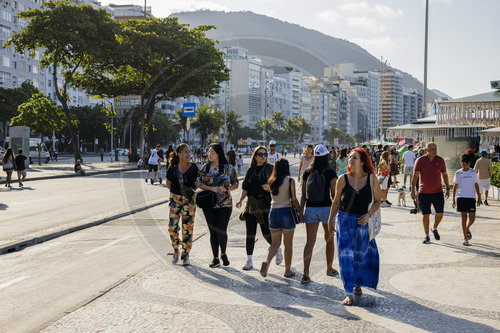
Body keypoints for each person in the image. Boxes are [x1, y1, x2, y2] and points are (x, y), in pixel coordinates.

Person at [327, 148, 381, 306]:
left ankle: (357, 283)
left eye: (354, 157)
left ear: (363, 161)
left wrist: (369, 215)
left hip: (362, 222)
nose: (350, 160)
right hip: (344, 221)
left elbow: (378, 200)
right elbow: (336, 201)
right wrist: (330, 221)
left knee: (359, 257)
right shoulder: (342, 179)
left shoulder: (372, 179)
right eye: (350, 157)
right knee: (346, 257)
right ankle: (348, 292)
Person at [196, 143, 239, 268]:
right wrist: (211, 188)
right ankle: (215, 258)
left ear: (219, 154)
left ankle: (223, 253)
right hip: (209, 204)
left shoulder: (228, 168)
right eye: (208, 152)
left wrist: (226, 190)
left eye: (212, 152)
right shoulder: (205, 167)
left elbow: (236, 184)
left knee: (221, 230)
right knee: (212, 231)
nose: (209, 154)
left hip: (225, 203)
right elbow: (198, 183)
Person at [300, 144, 338, 284]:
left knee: (310, 242)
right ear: (326, 156)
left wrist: (301, 212)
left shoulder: (307, 172)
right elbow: (334, 194)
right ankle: (329, 268)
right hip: (327, 209)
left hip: (310, 209)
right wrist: (337, 210)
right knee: (329, 239)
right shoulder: (330, 172)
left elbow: (303, 195)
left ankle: (305, 272)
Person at [260, 158, 302, 278]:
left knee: (275, 244)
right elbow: (293, 199)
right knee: (288, 244)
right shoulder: (290, 181)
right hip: (286, 212)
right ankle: (287, 271)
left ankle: (267, 263)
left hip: (273, 213)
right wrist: (300, 212)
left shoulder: (272, 181)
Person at [236, 146, 276, 270]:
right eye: (260, 154)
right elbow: (246, 187)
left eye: (265, 154)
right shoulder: (251, 170)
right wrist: (240, 200)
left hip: (265, 203)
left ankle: (277, 249)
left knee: (265, 232)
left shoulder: (270, 169)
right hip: (251, 203)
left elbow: (277, 185)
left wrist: (270, 187)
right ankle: (249, 260)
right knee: (250, 233)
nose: (263, 156)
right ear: (255, 156)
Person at [166, 143, 199, 265]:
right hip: (175, 199)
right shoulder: (172, 168)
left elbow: (196, 184)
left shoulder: (194, 168)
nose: (188, 154)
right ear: (179, 154)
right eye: (185, 152)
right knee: (172, 227)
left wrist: (187, 194)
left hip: (189, 201)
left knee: (187, 228)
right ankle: (176, 249)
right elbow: (168, 184)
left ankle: (185, 255)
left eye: (189, 152)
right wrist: (177, 195)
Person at [411, 142, 450, 244]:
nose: (434, 150)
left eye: (435, 148)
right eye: (432, 149)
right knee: (426, 214)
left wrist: (447, 188)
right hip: (424, 193)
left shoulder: (440, 160)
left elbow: (445, 175)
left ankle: (434, 227)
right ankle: (427, 236)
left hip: (438, 192)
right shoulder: (420, 161)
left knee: (440, 213)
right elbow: (415, 176)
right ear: (427, 150)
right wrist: (412, 191)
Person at [452, 154, 481, 246]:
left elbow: (476, 185)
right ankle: (465, 238)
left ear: (469, 163)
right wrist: (453, 199)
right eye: (462, 164)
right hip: (461, 197)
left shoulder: (473, 172)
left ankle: (467, 228)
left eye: (466, 164)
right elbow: (455, 186)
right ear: (461, 163)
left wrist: (479, 197)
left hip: (471, 197)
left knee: (472, 218)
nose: (464, 166)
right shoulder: (458, 173)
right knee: (463, 218)